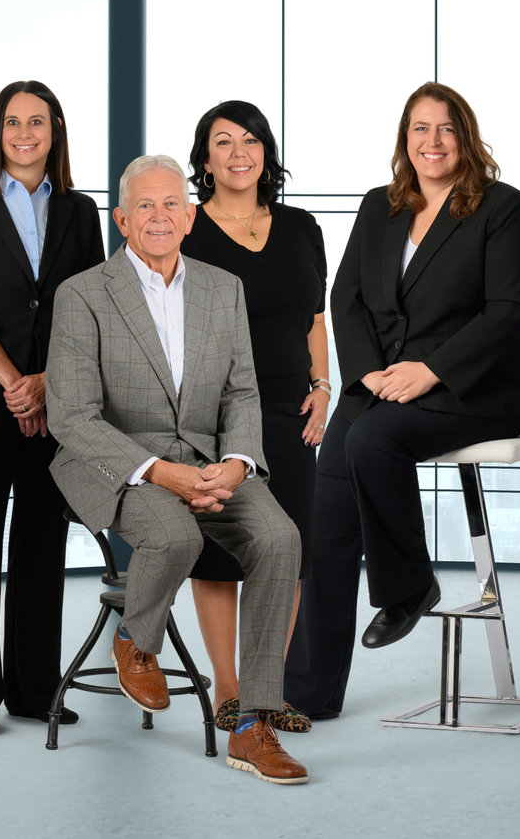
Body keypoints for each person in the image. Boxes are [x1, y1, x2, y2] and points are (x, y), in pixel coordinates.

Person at [46, 155, 308, 785]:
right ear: (121, 218)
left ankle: (252, 725)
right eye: (144, 205)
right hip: (113, 463)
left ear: (190, 217)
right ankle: (138, 640)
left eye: (171, 205)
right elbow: (72, 417)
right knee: (176, 534)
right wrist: (158, 471)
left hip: (208, 462)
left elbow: (242, 393)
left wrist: (238, 463)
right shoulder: (82, 294)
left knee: (281, 538)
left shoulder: (224, 288)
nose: (159, 217)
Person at [328, 82, 520, 653]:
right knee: (327, 506)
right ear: (405, 138)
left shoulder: (503, 206)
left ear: (465, 138)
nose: (433, 140)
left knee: (371, 440)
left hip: (476, 390)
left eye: (446, 128)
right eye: (420, 128)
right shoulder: (380, 205)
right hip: (385, 383)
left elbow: (507, 310)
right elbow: (345, 298)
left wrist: (432, 371)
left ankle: (408, 587)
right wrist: (368, 371)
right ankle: (308, 688)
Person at [0, 81, 106, 736]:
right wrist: (15, 383)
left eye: (37, 121)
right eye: (13, 121)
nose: (24, 133)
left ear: (55, 130)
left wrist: (43, 385)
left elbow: (87, 310)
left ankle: (35, 689)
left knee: (41, 542)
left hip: (54, 397)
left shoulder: (80, 211)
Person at [180, 100, 328, 734]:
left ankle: (267, 690)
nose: (239, 152)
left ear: (266, 152)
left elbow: (314, 319)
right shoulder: (185, 228)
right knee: (219, 552)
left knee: (286, 550)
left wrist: (324, 385)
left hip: (292, 409)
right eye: (223, 141)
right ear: (205, 159)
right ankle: (228, 690)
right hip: (212, 415)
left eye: (251, 140)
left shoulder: (301, 227)